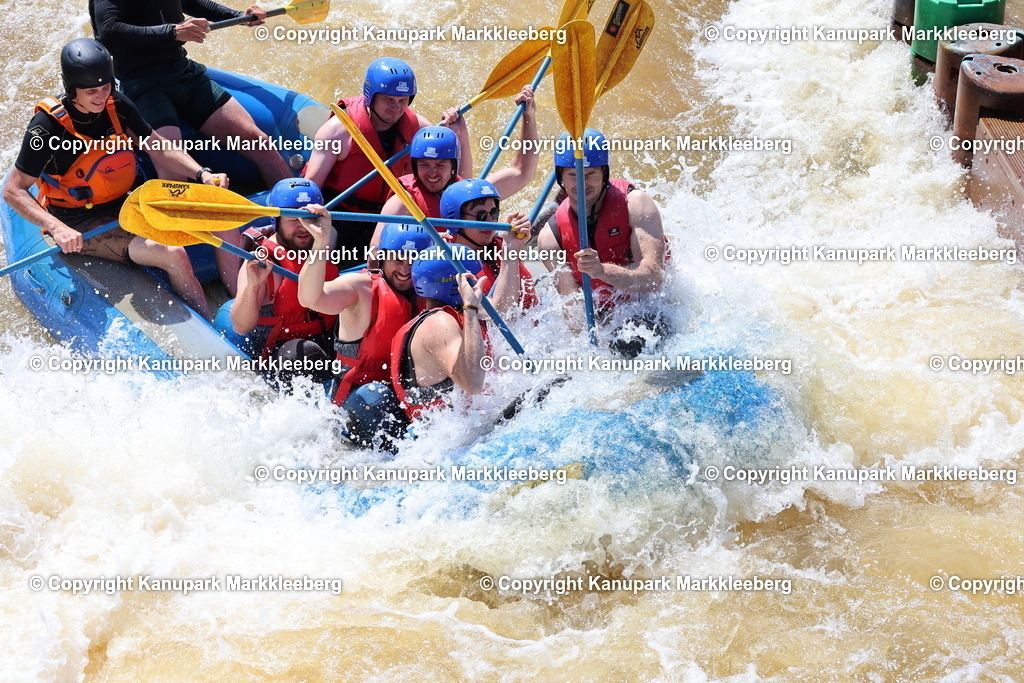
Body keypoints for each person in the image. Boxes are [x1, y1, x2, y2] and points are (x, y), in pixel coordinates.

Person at [2, 38, 230, 319]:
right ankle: (206, 324)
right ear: (71, 89)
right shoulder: (47, 128)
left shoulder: (116, 104)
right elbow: (13, 190)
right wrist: (57, 228)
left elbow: (157, 145)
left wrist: (202, 173)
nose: (101, 96)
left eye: (106, 86)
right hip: (81, 221)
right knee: (173, 253)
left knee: (219, 216)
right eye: (92, 91)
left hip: (128, 204)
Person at [90, 0, 290, 188]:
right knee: (175, 175)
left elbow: (189, 2)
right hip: (141, 84)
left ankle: (302, 211)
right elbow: (109, 31)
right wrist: (173, 31)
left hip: (182, 72)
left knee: (259, 142)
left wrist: (238, 16)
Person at [303, 58, 464, 265]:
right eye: (389, 99)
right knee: (327, 239)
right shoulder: (337, 132)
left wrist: (457, 133)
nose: (396, 108)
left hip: (389, 217)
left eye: (402, 100)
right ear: (371, 97)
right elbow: (311, 188)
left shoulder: (418, 129)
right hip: (338, 214)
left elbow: (453, 177)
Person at [296, 208, 433, 448]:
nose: (405, 270)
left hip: (406, 395)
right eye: (398, 259)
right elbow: (311, 298)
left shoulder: (433, 289)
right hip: (360, 399)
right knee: (375, 396)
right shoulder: (361, 288)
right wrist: (320, 242)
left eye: (414, 261)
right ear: (382, 258)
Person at [366, 84, 539, 266]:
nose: (432, 172)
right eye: (424, 165)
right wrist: (425, 245)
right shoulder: (403, 202)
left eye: (440, 165)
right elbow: (374, 257)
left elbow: (523, 172)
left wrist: (528, 117)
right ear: (414, 166)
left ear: (453, 167)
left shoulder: (470, 193)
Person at [536, 128, 669, 357]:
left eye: (591, 174)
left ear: (604, 174)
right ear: (560, 178)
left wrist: (601, 271)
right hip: (604, 314)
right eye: (573, 174)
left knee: (629, 344)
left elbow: (654, 278)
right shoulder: (550, 238)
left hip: (651, 306)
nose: (582, 183)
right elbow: (573, 308)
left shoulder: (634, 204)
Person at [229, 178, 339, 385]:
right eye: (295, 218)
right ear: (276, 220)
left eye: (310, 218)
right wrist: (253, 287)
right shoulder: (261, 261)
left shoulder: (325, 239)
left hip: (328, 337)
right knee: (303, 354)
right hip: (283, 351)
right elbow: (241, 326)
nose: (304, 227)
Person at [389, 247, 490, 421]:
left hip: (457, 432)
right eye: (472, 279)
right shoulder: (438, 323)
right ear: (457, 285)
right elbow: (472, 384)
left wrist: (510, 250)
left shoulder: (443, 316)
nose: (478, 284)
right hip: (450, 440)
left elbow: (505, 310)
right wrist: (470, 307)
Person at [440, 179, 537, 313]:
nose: (491, 221)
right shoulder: (445, 261)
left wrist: (512, 246)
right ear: (455, 221)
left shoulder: (502, 244)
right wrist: (509, 250)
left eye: (494, 213)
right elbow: (500, 313)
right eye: (481, 215)